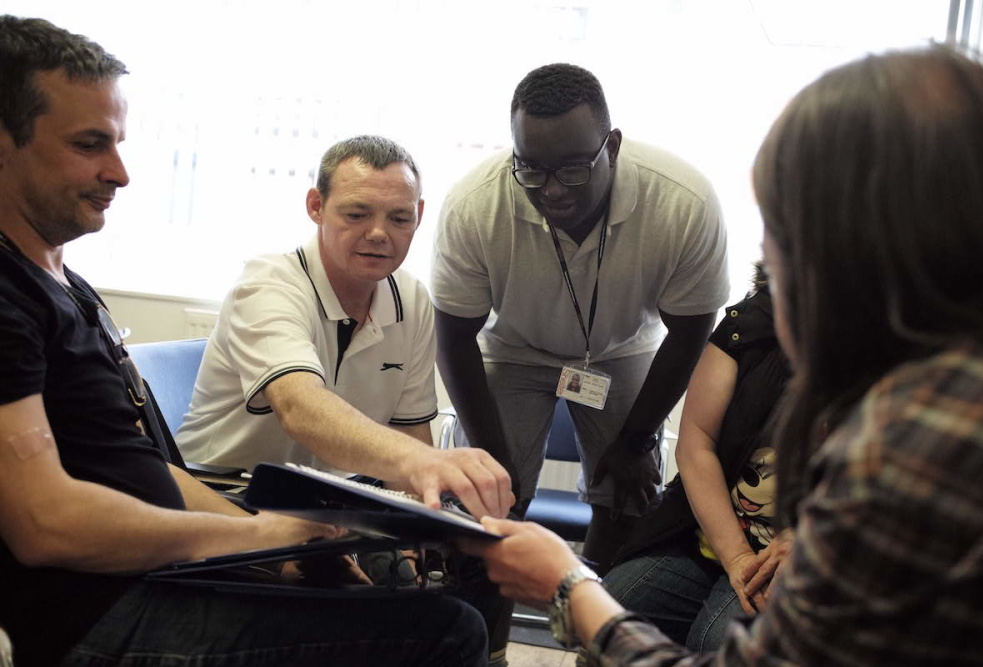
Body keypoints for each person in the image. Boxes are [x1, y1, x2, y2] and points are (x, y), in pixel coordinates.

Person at [462, 45, 983, 665]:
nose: (768, 267)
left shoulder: (913, 447)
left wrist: (570, 586)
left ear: (849, 251)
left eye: (781, 235)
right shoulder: (951, 391)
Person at [0, 16, 487, 667]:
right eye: (90, 144)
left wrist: (274, 546)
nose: (120, 172)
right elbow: (42, 524)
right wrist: (253, 535)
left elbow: (148, 476)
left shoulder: (68, 285)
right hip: (95, 609)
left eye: (118, 143)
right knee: (445, 631)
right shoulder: (10, 298)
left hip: (163, 563)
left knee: (402, 594)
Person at [432, 63, 730, 570]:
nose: (551, 190)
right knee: (487, 494)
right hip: (513, 347)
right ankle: (486, 644)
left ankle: (594, 631)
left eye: (573, 169)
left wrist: (636, 441)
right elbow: (455, 338)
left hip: (621, 348)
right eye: (532, 170)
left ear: (611, 146)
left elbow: (692, 330)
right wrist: (491, 455)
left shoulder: (683, 202)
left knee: (627, 492)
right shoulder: (475, 206)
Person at [176, 135, 512, 522]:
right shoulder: (267, 285)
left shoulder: (413, 299)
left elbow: (410, 434)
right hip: (224, 495)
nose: (378, 233)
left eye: (399, 218)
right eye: (357, 214)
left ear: (419, 214)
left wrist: (418, 526)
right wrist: (425, 462)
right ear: (316, 207)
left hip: (330, 502)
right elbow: (300, 408)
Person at [602, 263, 791, 651]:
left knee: (718, 640)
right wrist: (736, 556)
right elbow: (697, 441)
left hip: (794, 554)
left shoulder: (897, 348)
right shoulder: (751, 322)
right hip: (711, 537)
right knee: (613, 610)